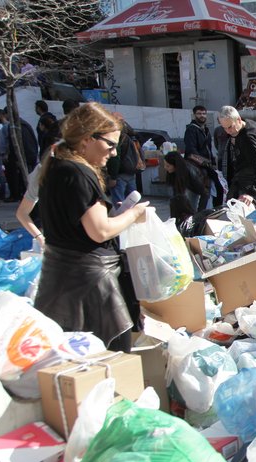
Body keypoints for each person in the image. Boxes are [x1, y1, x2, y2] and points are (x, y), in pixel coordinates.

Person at [33, 102, 149, 352]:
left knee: (75, 357)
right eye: (111, 144)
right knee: (111, 357)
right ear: (87, 138)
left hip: (60, 279)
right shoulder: (77, 173)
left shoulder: (55, 166)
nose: (114, 153)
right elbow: (100, 231)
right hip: (88, 285)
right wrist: (134, 214)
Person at [218, 105, 256, 206]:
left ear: (239, 120)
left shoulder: (249, 138)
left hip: (251, 188)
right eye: (224, 128)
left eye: (230, 127)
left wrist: (251, 193)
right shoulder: (247, 125)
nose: (228, 131)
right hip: (240, 183)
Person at [184, 105, 223, 207]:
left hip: (206, 167)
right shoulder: (191, 130)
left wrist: (212, 163)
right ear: (194, 115)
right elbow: (191, 150)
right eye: (199, 113)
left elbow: (209, 149)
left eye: (204, 113)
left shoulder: (206, 130)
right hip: (196, 167)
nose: (202, 116)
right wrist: (204, 163)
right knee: (197, 194)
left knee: (212, 191)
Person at [105, 115, 141, 203]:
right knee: (133, 202)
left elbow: (115, 159)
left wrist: (113, 177)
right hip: (131, 172)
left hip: (119, 175)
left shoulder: (118, 138)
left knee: (119, 203)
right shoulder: (130, 137)